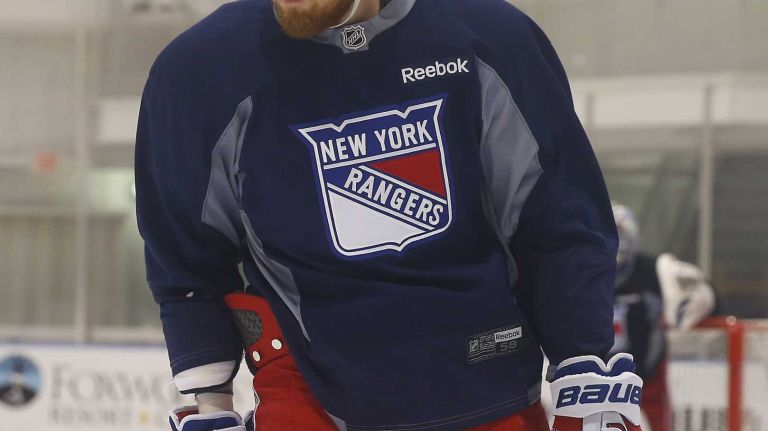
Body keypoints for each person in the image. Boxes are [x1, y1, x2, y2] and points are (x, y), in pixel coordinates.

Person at [136, 0, 644, 430]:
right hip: (306, 391)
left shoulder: (489, 38)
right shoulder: (198, 73)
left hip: (488, 384)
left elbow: (556, 223)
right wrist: (210, 402)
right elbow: (188, 260)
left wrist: (586, 367)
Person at [611, 204, 716, 431]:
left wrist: (705, 294)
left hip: (648, 380)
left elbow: (707, 297)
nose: (617, 238)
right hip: (599, 382)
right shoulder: (582, 274)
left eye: (620, 229)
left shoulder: (655, 271)